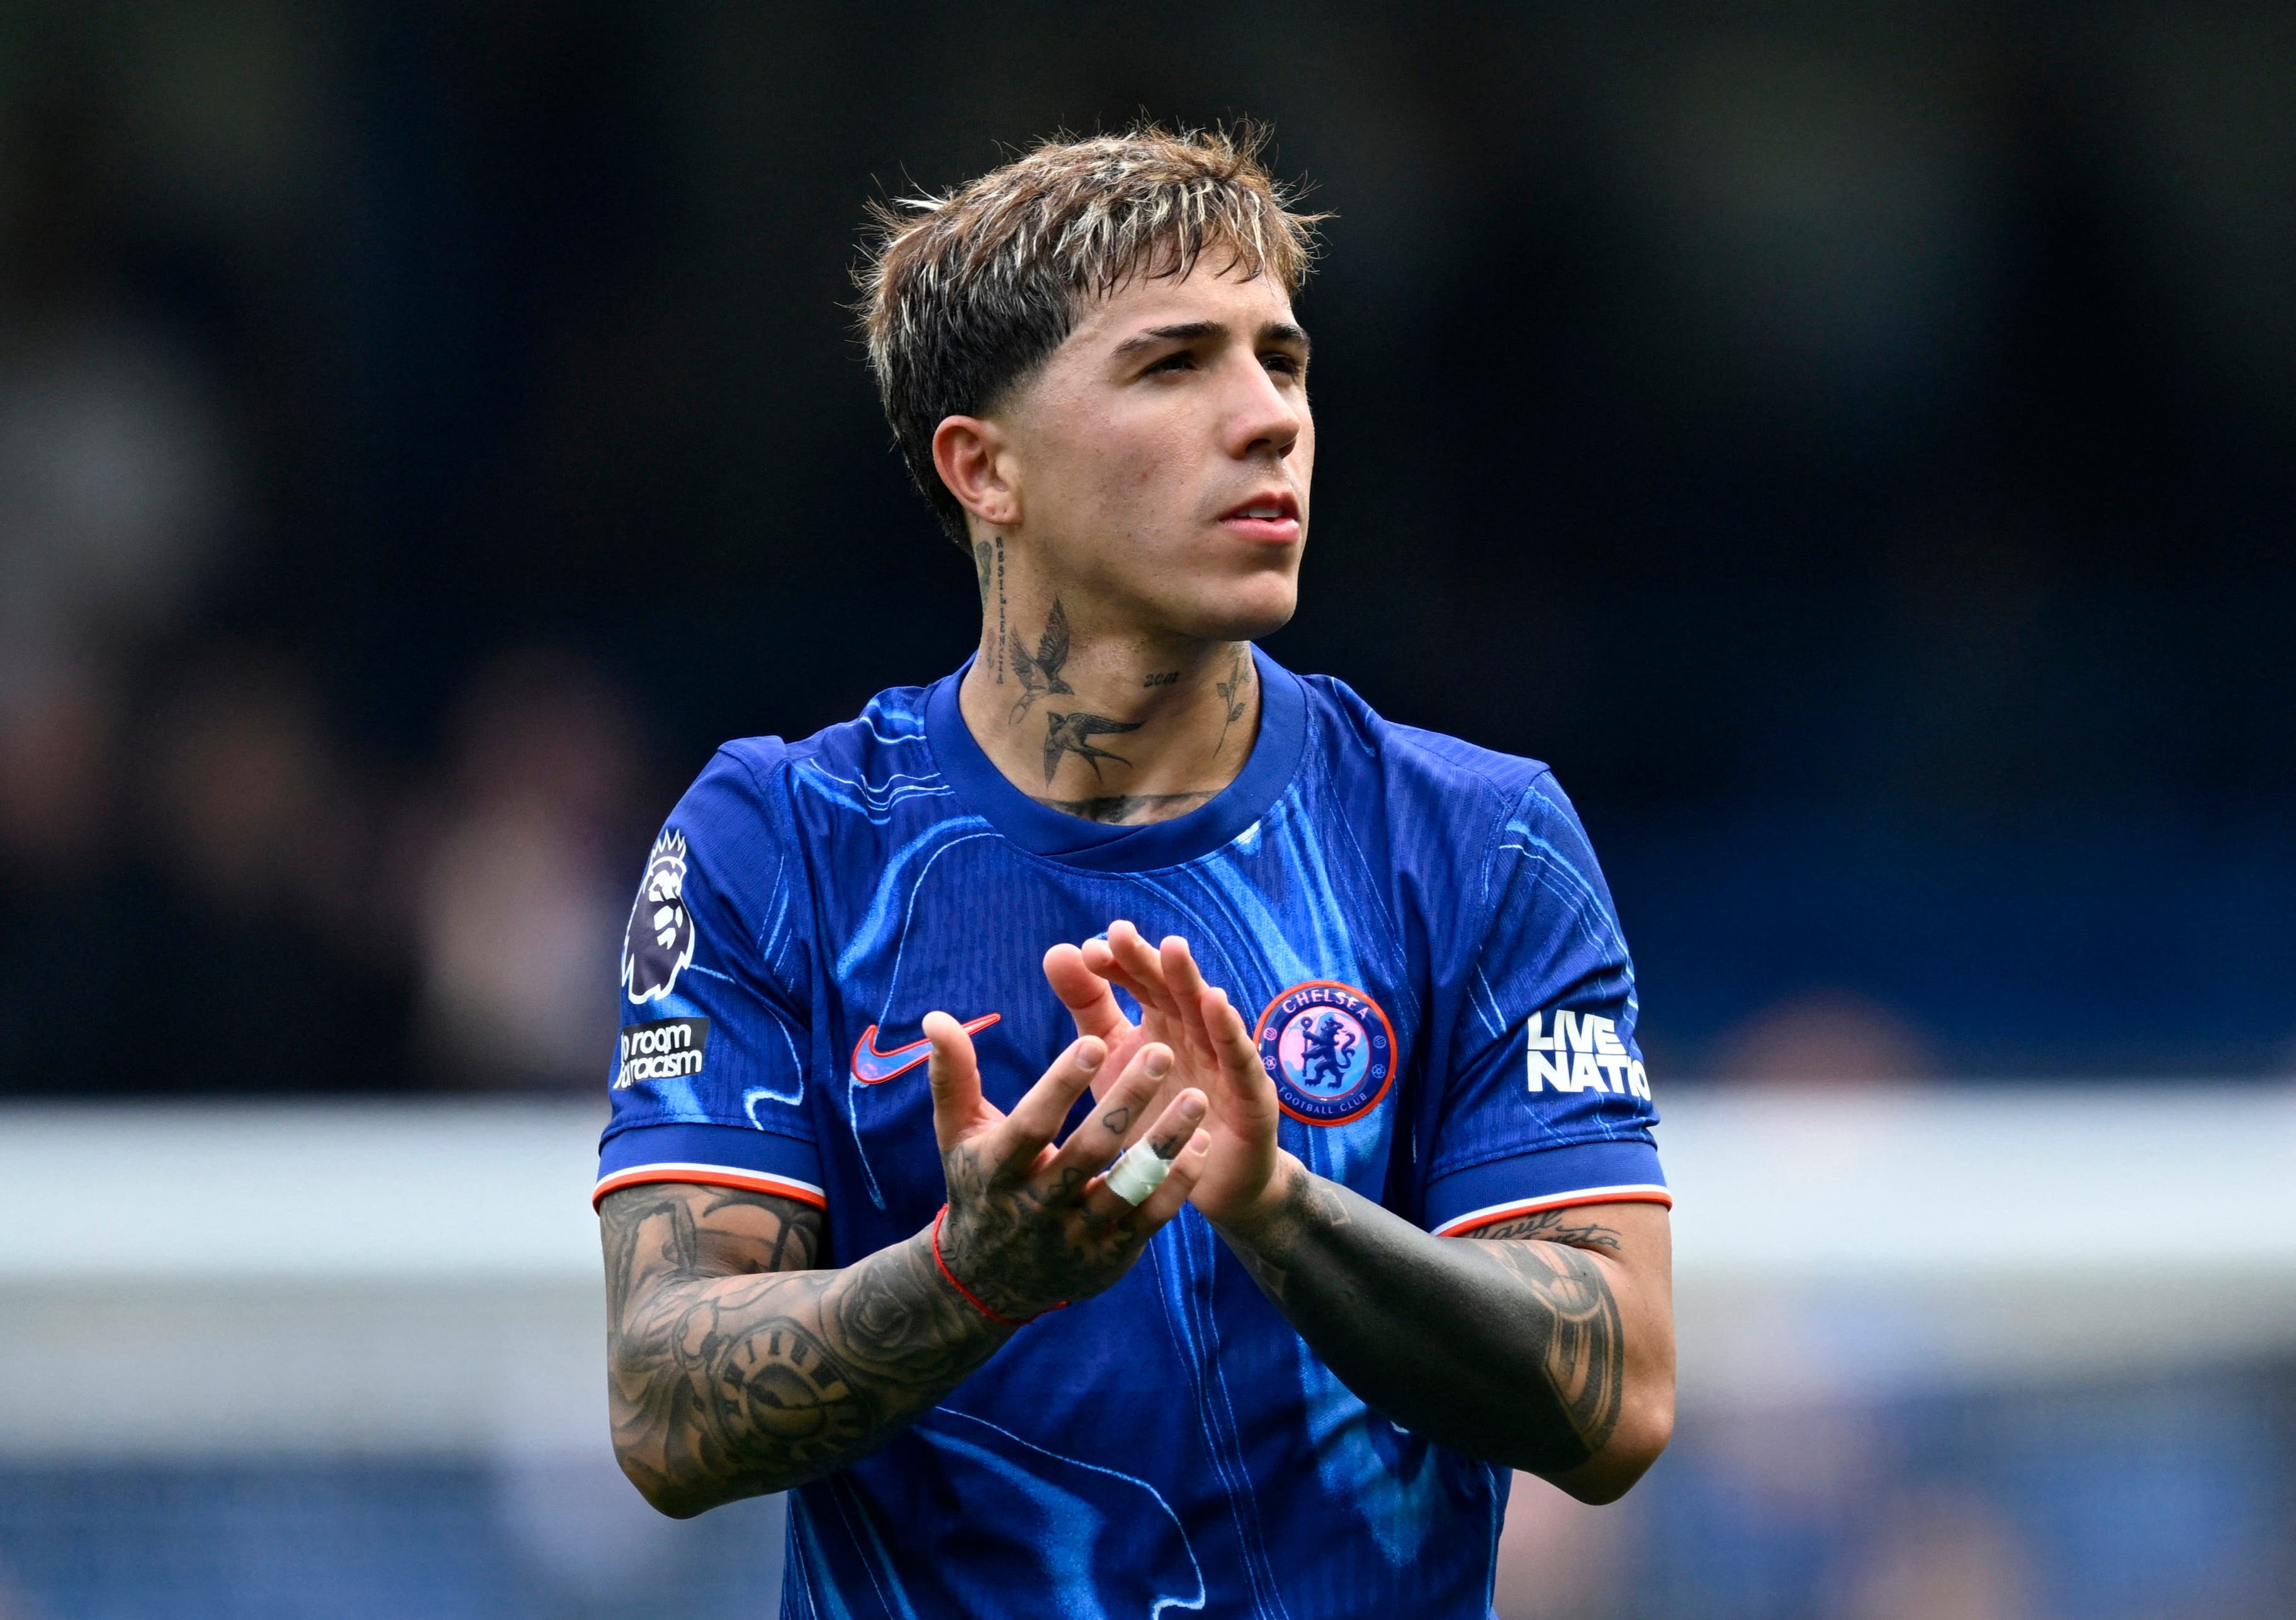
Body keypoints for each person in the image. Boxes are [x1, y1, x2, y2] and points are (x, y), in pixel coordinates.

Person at [595, 125, 1674, 1619]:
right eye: (1175, 366)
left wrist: (1279, 1207)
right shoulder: (775, 842)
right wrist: (977, 1272)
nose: (1269, 420)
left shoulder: (1478, 839)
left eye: (1282, 361)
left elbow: (1617, 1397)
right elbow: (663, 1405)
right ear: (985, 468)